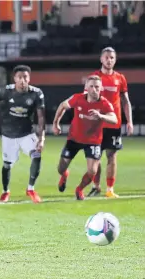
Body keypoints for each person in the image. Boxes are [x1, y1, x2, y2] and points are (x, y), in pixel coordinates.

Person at [0, 65, 45, 203]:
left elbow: (41, 117)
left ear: (29, 78)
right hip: (8, 135)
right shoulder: (6, 91)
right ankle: (5, 191)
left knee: (36, 155)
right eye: (20, 77)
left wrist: (41, 138)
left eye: (25, 77)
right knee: (7, 165)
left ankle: (30, 189)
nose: (23, 80)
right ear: (15, 79)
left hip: (27, 134)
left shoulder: (36, 93)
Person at [52, 75, 118, 200]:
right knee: (61, 168)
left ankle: (79, 189)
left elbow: (114, 119)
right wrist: (56, 123)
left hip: (93, 141)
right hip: (74, 139)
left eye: (97, 87)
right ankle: (65, 175)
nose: (94, 89)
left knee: (92, 171)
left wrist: (101, 116)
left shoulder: (104, 103)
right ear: (86, 87)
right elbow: (62, 106)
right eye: (91, 86)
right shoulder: (78, 98)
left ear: (101, 88)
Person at [88, 47, 133, 198]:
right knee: (95, 157)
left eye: (112, 57)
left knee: (112, 156)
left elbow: (125, 102)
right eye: (106, 57)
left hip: (114, 124)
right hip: (96, 124)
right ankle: (96, 186)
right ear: (101, 59)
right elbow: (85, 98)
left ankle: (110, 189)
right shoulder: (94, 77)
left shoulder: (120, 78)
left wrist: (129, 121)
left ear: (115, 60)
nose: (109, 60)